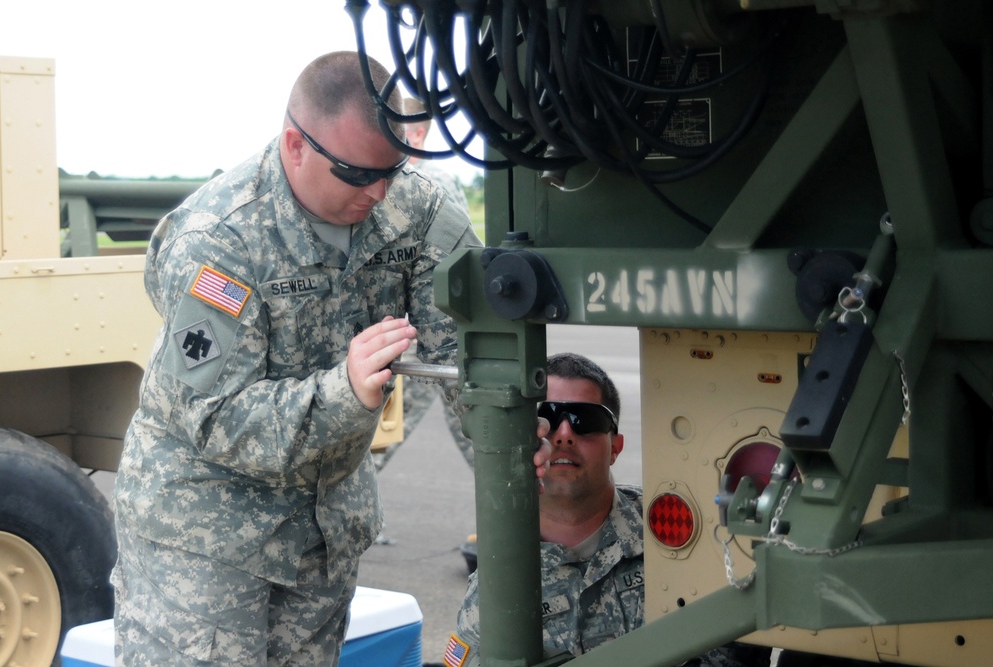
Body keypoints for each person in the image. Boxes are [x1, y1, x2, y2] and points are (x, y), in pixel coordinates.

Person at [110, 51, 481, 666]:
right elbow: (212, 415)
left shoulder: (414, 208)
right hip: (204, 539)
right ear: (295, 145)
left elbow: (467, 349)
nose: (379, 192)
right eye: (357, 174)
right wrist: (345, 393)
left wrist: (530, 448)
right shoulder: (221, 239)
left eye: (391, 170)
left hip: (322, 533)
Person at [444, 353, 771, 667]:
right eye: (546, 417)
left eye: (585, 421)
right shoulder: (502, 576)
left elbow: (737, 646)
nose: (564, 434)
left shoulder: (678, 529)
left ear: (615, 447)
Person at [374, 96, 475, 475]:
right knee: (471, 429)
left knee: (384, 430)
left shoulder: (429, 184)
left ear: (416, 133)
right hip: (425, 333)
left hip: (422, 335)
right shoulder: (434, 181)